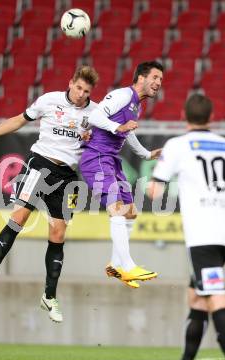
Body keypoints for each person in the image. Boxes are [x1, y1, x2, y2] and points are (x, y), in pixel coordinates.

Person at [0, 65, 99, 323]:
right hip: (40, 163)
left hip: (67, 175)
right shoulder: (49, 101)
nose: (81, 94)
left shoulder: (94, 113)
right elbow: (18, 120)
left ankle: (49, 296)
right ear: (70, 83)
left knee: (58, 233)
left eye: (87, 91)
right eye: (79, 87)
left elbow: (106, 141)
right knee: (20, 218)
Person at [148, 94, 225, 360]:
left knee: (214, 296)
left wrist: (161, 168)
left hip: (202, 235)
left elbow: (154, 192)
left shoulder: (177, 146)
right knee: (197, 297)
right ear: (212, 116)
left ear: (184, 115)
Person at [80, 61, 163, 289]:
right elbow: (95, 118)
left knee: (130, 212)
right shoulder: (123, 95)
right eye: (155, 77)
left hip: (111, 160)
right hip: (96, 156)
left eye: (160, 80)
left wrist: (146, 154)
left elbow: (129, 133)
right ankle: (127, 265)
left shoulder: (137, 105)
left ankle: (115, 265)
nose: (158, 83)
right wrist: (118, 128)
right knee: (117, 208)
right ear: (141, 78)